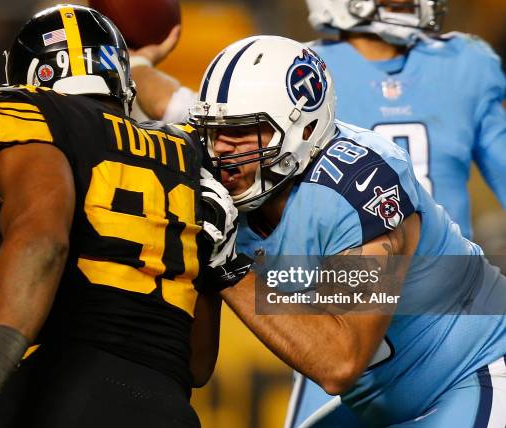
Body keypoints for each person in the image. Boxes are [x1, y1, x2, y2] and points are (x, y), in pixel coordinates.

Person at [0, 5, 245, 427]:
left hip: (65, 391)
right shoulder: (190, 157)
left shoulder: (33, 116)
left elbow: (44, 240)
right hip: (169, 405)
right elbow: (198, 366)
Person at [189, 35, 506, 427]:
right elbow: (195, 368)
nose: (221, 152)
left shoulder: (360, 183)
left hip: (472, 372)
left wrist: (226, 267)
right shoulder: (215, 190)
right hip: (380, 403)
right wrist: (197, 261)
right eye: (213, 131)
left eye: (244, 132)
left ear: (304, 130)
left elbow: (339, 362)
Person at [129, 0, 506, 240]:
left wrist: (137, 62)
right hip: (385, 290)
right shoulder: (467, 62)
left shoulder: (297, 68)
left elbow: (183, 107)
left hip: (361, 291)